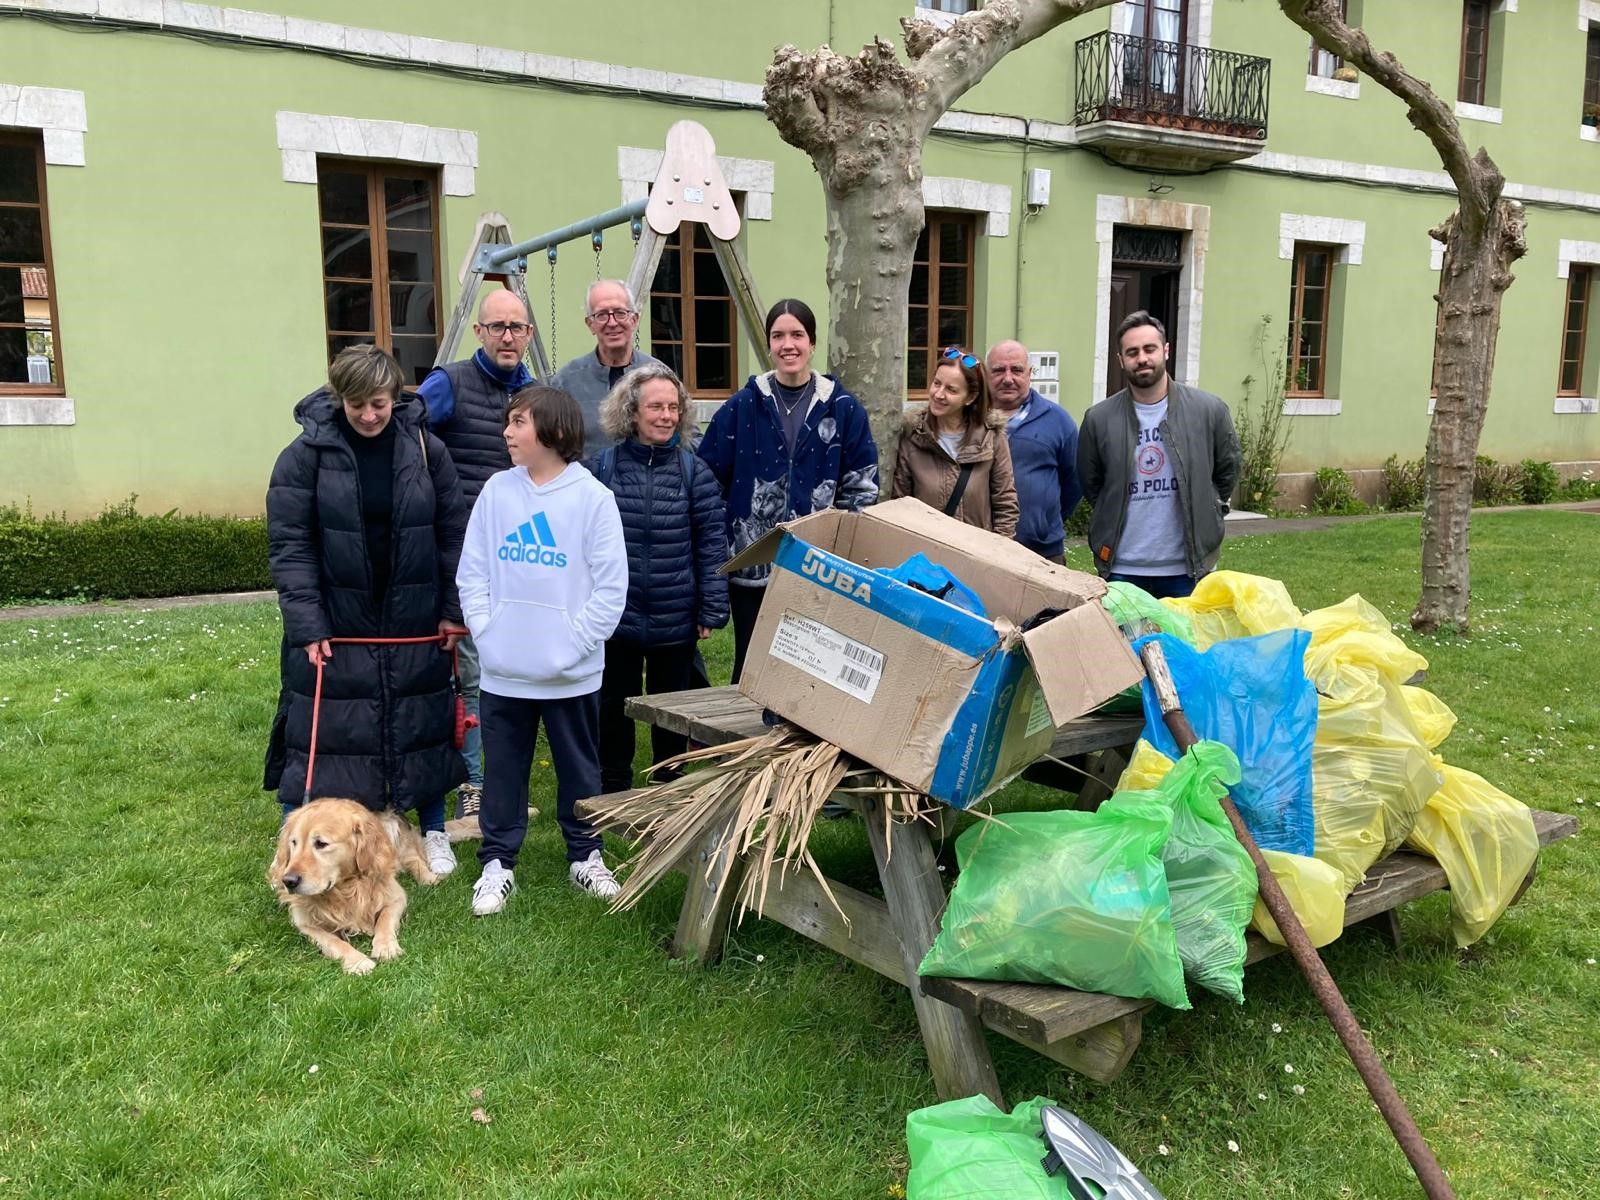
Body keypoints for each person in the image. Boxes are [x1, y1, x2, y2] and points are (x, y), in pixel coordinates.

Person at [265, 344, 468, 878]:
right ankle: (301, 840)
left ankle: (434, 832)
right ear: (340, 398)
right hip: (338, 623)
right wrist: (308, 622)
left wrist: (451, 609)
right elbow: (291, 545)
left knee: (422, 726)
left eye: (379, 402)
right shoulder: (303, 456)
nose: (369, 414)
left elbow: (453, 533)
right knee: (329, 735)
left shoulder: (427, 449)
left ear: (395, 396)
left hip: (415, 617)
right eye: (357, 403)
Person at [457, 385, 628, 914]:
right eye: (508, 422)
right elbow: (473, 574)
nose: (507, 432)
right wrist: (488, 635)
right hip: (505, 671)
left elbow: (610, 588)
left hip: (570, 674)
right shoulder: (496, 492)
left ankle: (586, 855)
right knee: (504, 768)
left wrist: (572, 645)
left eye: (519, 422)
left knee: (580, 767)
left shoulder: (592, 498)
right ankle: (497, 863)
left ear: (552, 430)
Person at [696, 298, 879, 682]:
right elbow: (708, 477)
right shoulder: (742, 407)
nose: (788, 345)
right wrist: (728, 534)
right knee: (750, 664)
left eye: (797, 334)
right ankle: (745, 738)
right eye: (778, 336)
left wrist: (838, 543)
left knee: (811, 666)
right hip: (752, 564)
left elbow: (861, 485)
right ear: (769, 344)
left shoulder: (843, 409)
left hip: (817, 565)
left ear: (812, 342)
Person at [416, 288, 537, 820]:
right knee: (469, 673)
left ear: (529, 334)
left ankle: (500, 779)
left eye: (517, 327)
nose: (508, 336)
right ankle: (473, 783)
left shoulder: (536, 392)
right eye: (498, 327)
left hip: (520, 556)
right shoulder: (449, 384)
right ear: (480, 333)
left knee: (509, 672)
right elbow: (407, 436)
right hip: (461, 555)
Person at [589, 364, 730, 794]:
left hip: (675, 616)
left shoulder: (694, 472)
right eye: (656, 407)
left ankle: (668, 784)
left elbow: (711, 543)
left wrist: (712, 607)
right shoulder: (603, 469)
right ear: (632, 413)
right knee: (614, 706)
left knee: (671, 707)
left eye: (673, 407)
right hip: (619, 616)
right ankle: (613, 786)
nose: (666, 415)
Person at [1078, 310, 1240, 599]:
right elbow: (1093, 485)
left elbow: (1226, 471)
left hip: (1187, 571)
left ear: (1165, 351)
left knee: (1183, 645)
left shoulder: (1208, 411)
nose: (1142, 358)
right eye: (1132, 352)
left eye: (1149, 349)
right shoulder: (1099, 419)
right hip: (1122, 569)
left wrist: (1212, 507)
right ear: (1120, 360)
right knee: (1122, 645)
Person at [894, 346, 1019, 537]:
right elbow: (899, 505)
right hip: (926, 558)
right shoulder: (913, 436)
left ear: (970, 397)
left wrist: (999, 553)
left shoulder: (991, 436)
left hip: (978, 556)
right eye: (937, 383)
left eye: (951, 390)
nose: (938, 394)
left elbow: (1005, 503)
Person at [986, 339, 1082, 563]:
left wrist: (1042, 523)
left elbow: (1075, 482)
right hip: (980, 549)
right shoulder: (970, 420)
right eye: (999, 370)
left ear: (1030, 373)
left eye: (1017, 370)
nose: (1008, 378)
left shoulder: (1058, 421)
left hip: (1043, 553)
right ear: (985, 375)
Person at [551, 279, 660, 459]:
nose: (612, 322)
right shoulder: (566, 381)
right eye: (601, 315)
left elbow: (689, 437)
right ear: (590, 324)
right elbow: (549, 442)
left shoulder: (658, 376)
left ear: (634, 320)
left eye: (620, 313)